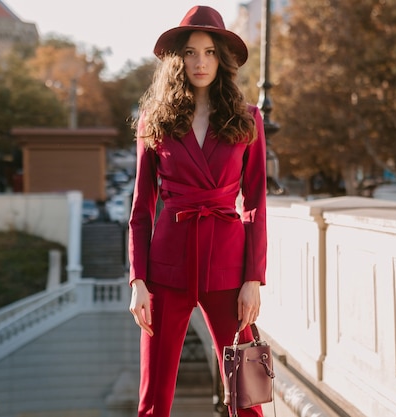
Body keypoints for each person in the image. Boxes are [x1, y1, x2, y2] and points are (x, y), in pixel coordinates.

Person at [127, 5, 267, 417]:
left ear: (221, 57)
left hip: (228, 269)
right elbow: (141, 207)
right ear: (178, 58)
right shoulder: (154, 120)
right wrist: (138, 280)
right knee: (153, 401)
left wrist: (254, 278)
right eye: (190, 52)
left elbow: (256, 203)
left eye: (208, 52)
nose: (200, 61)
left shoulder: (248, 119)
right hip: (165, 271)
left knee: (248, 394)